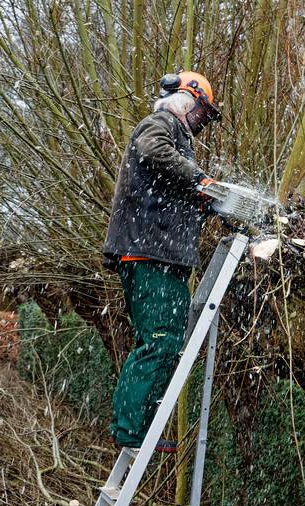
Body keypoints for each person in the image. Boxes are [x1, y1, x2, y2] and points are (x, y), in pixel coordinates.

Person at [101, 71, 221, 452]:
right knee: (161, 342)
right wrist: (200, 180)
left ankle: (139, 424)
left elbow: (171, 189)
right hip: (150, 254)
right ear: (186, 100)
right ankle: (132, 429)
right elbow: (153, 151)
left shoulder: (175, 140)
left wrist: (206, 200)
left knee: (157, 341)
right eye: (201, 111)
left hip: (159, 254)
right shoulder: (161, 124)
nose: (201, 121)